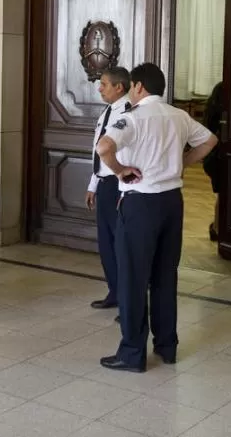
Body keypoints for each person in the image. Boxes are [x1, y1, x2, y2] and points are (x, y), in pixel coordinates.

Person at [95, 62, 217, 372]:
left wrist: (121, 171)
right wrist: (182, 163)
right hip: (172, 203)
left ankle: (132, 353)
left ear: (137, 87)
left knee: (134, 278)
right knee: (165, 276)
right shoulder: (178, 116)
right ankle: (167, 346)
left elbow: (104, 147)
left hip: (140, 204)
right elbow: (210, 141)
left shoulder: (131, 118)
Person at [85, 67, 131, 313]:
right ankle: (114, 291)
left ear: (119, 87)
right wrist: (93, 184)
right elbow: (98, 151)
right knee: (106, 243)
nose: (99, 88)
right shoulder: (107, 111)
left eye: (104, 84)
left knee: (120, 244)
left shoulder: (127, 112)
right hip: (104, 183)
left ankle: (127, 300)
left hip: (119, 184)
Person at [201, 81, 224, 242]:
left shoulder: (211, 109)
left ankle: (217, 227)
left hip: (211, 157)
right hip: (218, 157)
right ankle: (218, 228)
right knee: (224, 194)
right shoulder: (225, 114)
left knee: (222, 194)